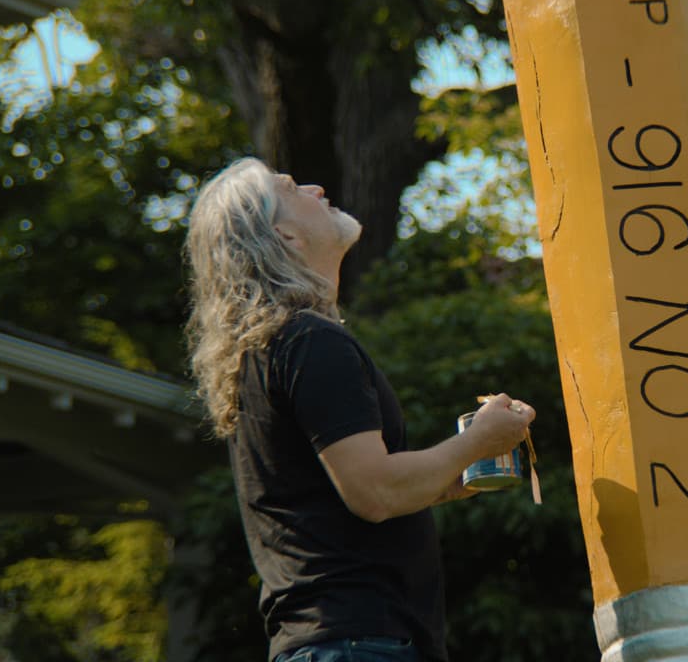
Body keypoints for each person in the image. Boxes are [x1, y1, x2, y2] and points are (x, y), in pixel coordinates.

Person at [183, 157, 536, 662]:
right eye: (291, 187)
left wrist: (449, 476)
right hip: (358, 645)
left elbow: (340, 500)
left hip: (335, 642)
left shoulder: (269, 349)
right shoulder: (310, 341)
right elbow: (374, 493)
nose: (315, 187)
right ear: (285, 236)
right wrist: (478, 440)